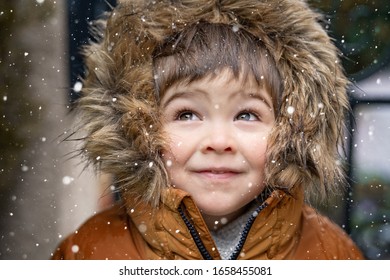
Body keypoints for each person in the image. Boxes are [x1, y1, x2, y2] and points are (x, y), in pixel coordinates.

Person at [52, 0, 364, 260]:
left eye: (246, 114)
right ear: (138, 129)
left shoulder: (331, 253)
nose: (219, 142)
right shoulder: (91, 252)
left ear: (292, 130)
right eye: (187, 114)